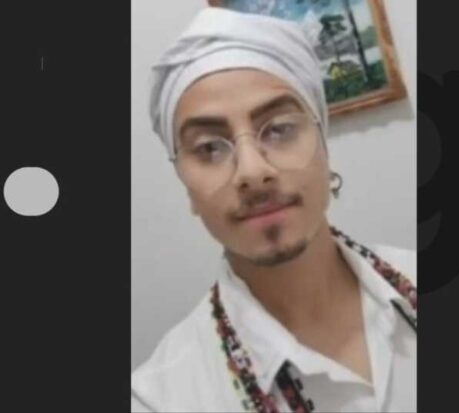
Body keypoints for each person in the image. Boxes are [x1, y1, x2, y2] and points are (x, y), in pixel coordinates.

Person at [132, 6, 416, 413]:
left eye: (279, 129)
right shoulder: (162, 399)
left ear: (324, 147)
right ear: (187, 187)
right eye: (209, 148)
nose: (252, 171)